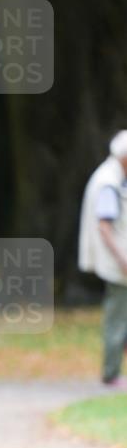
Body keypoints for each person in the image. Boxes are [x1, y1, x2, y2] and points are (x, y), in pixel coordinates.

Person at [78, 130, 127, 388]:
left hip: (118, 262)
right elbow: (105, 227)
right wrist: (123, 259)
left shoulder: (114, 176)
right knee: (117, 316)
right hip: (119, 264)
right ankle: (111, 374)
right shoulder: (110, 182)